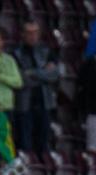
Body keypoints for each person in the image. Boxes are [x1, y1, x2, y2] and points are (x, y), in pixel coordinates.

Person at [12, 20, 60, 155]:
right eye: (29, 33)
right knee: (25, 143)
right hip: (24, 104)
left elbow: (55, 74)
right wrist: (43, 73)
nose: (32, 36)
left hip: (45, 103)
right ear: (22, 34)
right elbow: (20, 79)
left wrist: (33, 72)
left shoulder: (46, 50)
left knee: (43, 143)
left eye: (35, 33)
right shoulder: (15, 53)